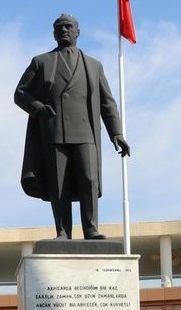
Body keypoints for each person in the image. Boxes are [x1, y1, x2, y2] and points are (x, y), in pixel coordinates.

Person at [15, 13, 129, 240]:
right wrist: (38, 108)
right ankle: (63, 232)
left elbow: (107, 103)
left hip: (86, 133)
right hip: (54, 132)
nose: (64, 30)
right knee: (59, 185)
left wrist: (116, 132)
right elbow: (20, 93)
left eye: (68, 27)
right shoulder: (41, 62)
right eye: (59, 27)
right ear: (53, 33)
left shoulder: (94, 66)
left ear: (78, 32)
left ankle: (91, 229)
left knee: (89, 180)